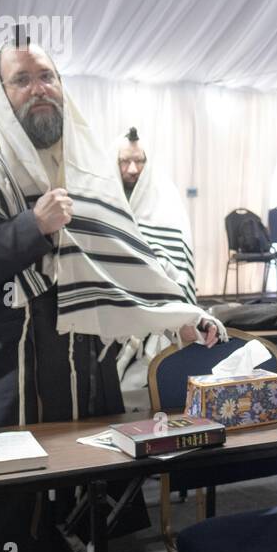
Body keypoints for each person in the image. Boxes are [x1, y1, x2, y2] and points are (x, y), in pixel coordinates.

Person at [0, 33, 221, 552]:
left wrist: (177, 316)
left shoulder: (91, 174)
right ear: (2, 96)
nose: (37, 90)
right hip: (6, 396)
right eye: (21, 80)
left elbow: (126, 271)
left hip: (84, 393)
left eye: (46, 76)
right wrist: (32, 227)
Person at [113, 127, 198, 410]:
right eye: (125, 161)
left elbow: (178, 264)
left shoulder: (167, 205)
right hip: (116, 318)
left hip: (160, 322)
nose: (133, 169)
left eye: (139, 161)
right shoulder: (107, 202)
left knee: (158, 397)